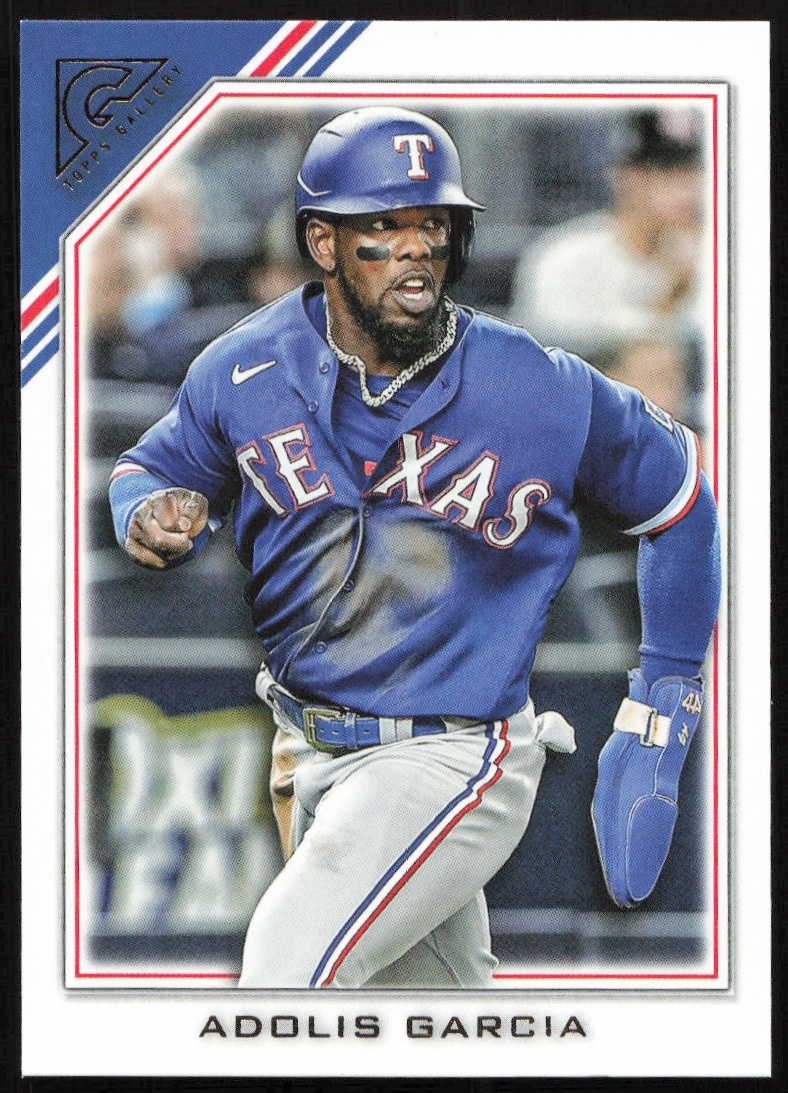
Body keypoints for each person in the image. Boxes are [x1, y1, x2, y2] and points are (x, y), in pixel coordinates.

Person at [108, 106, 720, 988]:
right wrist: (143, 508)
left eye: (434, 224)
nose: (415, 249)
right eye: (384, 226)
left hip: (454, 751)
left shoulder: (534, 384)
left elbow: (681, 495)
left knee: (285, 977)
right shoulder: (243, 365)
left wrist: (660, 710)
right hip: (309, 746)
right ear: (322, 242)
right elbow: (154, 464)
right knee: (433, 1019)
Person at [508, 107, 706, 421]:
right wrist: (668, 299)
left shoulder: (712, 257)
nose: (688, 190)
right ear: (625, 178)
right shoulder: (565, 257)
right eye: (666, 172)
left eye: (694, 170)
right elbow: (553, 368)